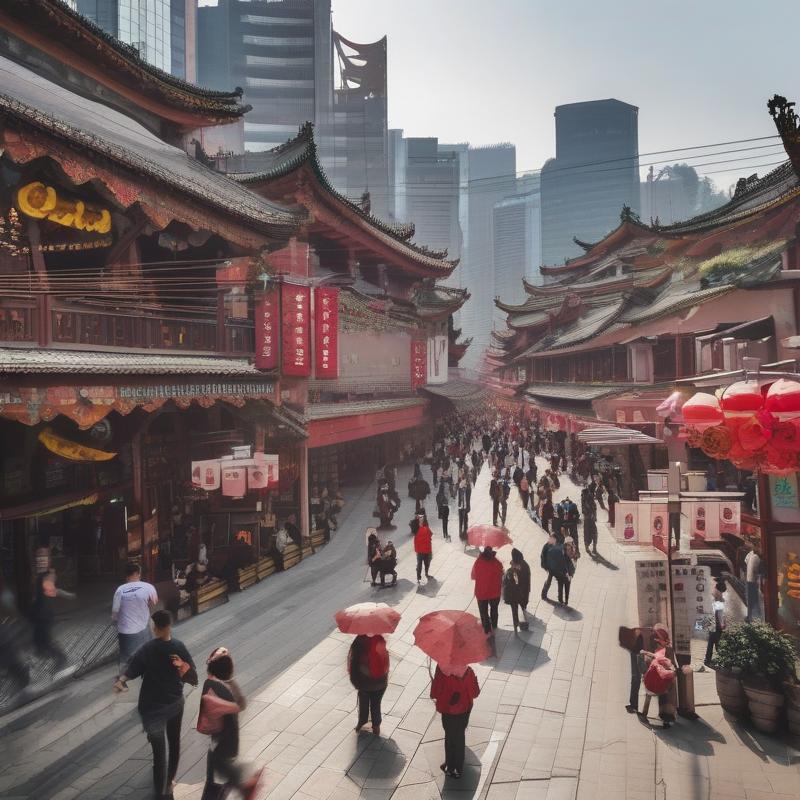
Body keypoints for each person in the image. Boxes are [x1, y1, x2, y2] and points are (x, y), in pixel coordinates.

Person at [114, 610, 198, 800]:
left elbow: (134, 666)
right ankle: (169, 784)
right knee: (174, 742)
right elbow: (192, 674)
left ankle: (160, 793)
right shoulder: (179, 647)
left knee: (159, 754)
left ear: (155, 628)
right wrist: (181, 666)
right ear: (170, 626)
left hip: (152, 707)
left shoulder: (148, 648)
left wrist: (122, 680)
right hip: (175, 703)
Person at [199, 647, 261, 800]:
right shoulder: (225, 688)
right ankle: (243, 784)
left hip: (222, 745)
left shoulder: (212, 687)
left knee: (215, 786)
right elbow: (242, 704)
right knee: (219, 782)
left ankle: (244, 785)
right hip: (228, 743)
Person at [430, 664, 481, 780]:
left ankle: (450, 765)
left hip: (448, 711)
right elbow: (475, 693)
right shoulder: (468, 671)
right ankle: (458, 767)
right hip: (464, 711)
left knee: (449, 736)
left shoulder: (442, 669)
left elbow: (435, 693)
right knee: (459, 736)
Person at [113, 562, 158, 677]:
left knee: (125, 656)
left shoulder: (120, 590)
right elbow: (154, 604)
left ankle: (122, 681)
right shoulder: (149, 587)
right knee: (148, 651)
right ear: (138, 574)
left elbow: (115, 613)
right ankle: (147, 674)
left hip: (126, 630)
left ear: (126, 576)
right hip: (143, 628)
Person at [31, 568, 74, 674]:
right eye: (52, 575)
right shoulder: (45, 585)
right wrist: (69, 595)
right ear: (46, 578)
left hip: (41, 620)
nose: (55, 576)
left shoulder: (42, 587)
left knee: (42, 646)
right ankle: (57, 671)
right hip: (43, 620)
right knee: (50, 648)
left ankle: (37, 662)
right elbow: (57, 591)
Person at [348, 633, 389, 736]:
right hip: (380, 682)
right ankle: (376, 727)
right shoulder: (379, 639)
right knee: (376, 704)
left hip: (365, 683)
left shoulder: (359, 641)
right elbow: (385, 659)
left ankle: (361, 723)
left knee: (364, 703)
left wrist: (356, 681)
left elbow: (353, 662)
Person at [471, 546, 503, 634]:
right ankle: (494, 625)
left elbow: (473, 576)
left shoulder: (478, 562)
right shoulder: (498, 563)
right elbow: (501, 574)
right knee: (494, 609)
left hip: (482, 592)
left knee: (483, 611)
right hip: (495, 592)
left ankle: (487, 628)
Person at [503, 548, 531, 632]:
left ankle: (517, 623)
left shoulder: (513, 571)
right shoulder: (523, 565)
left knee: (516, 608)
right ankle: (518, 622)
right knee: (519, 607)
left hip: (516, 593)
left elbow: (514, 582)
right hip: (519, 592)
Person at [546, 537, 575, 606]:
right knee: (560, 586)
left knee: (567, 587)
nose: (569, 546)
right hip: (561, 572)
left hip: (569, 573)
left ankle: (566, 600)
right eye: (568, 544)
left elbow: (573, 565)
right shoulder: (561, 551)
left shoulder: (573, 551)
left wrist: (571, 575)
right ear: (565, 544)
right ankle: (560, 599)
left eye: (570, 544)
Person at [704, 579, 726, 667]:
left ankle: (708, 659)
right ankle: (720, 659)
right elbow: (719, 613)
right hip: (715, 624)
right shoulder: (719, 598)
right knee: (716, 641)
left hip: (711, 623)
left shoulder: (713, 596)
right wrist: (722, 623)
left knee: (712, 641)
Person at [745, 547, 762, 621]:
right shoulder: (756, 557)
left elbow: (745, 561)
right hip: (753, 580)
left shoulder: (750, 554)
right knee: (753, 599)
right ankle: (754, 616)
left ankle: (750, 615)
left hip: (749, 579)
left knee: (750, 599)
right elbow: (756, 570)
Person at [414, 515, 433, 583]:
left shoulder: (425, 527)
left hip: (426, 548)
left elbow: (430, 534)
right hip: (421, 549)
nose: (421, 518)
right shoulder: (416, 528)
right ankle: (419, 577)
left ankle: (425, 574)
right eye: (420, 517)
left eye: (422, 517)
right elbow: (430, 534)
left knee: (426, 563)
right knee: (420, 564)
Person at [540, 534, 556, 601]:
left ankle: (544, 594)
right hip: (548, 566)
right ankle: (543, 594)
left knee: (550, 579)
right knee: (549, 580)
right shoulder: (546, 546)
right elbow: (543, 557)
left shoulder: (552, 545)